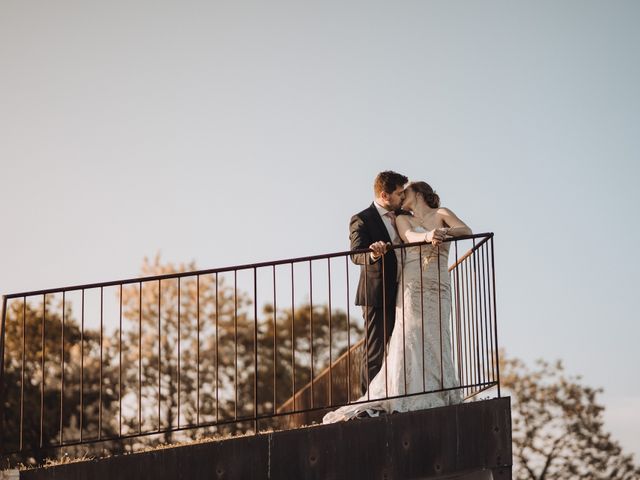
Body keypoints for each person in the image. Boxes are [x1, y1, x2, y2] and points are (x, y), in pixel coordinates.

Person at [323, 181, 471, 423]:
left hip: (439, 284)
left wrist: (443, 232)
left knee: (437, 335)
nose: (402, 196)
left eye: (406, 191)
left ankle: (439, 389)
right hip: (412, 285)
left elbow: (466, 230)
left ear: (419, 194)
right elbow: (410, 237)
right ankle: (404, 393)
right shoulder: (403, 219)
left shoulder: (443, 214)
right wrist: (428, 235)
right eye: (399, 192)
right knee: (409, 337)